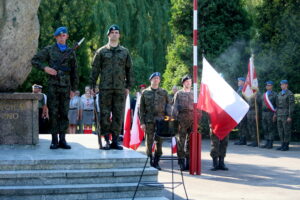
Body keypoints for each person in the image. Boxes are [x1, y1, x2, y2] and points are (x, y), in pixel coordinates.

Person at [31, 26, 78, 149]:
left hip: (66, 87)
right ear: (56, 37)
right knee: (53, 113)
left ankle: (62, 140)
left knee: (64, 113)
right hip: (53, 86)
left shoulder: (71, 52)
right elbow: (35, 60)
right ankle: (54, 140)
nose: (62, 37)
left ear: (67, 36)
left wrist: (73, 89)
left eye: (64, 35)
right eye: (59, 35)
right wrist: (46, 68)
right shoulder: (49, 50)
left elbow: (74, 72)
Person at [90, 24, 133, 150]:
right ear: (108, 35)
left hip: (120, 88)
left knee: (118, 115)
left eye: (116, 32)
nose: (114, 34)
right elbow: (95, 70)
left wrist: (128, 86)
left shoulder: (125, 52)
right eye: (112, 32)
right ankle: (106, 140)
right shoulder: (101, 51)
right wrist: (92, 85)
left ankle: (115, 140)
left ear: (119, 35)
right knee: (104, 114)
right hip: (105, 88)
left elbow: (129, 70)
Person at [139, 72, 170, 170]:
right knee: (149, 141)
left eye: (158, 78)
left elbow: (168, 107)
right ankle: (149, 161)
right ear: (151, 80)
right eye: (154, 78)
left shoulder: (164, 92)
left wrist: (168, 121)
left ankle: (156, 161)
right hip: (149, 121)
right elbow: (142, 109)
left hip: (160, 121)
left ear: (159, 80)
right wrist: (142, 122)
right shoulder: (145, 92)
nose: (156, 80)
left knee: (159, 142)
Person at [172, 75, 193, 171]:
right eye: (187, 81)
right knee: (181, 141)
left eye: (190, 81)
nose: (189, 83)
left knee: (191, 142)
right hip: (182, 120)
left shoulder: (194, 93)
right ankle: (181, 161)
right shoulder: (179, 94)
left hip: (192, 120)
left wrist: (199, 119)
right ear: (183, 83)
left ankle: (189, 161)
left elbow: (199, 108)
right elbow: (174, 107)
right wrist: (174, 121)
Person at [274, 80, 295, 151]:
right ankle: (282, 144)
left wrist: (290, 116)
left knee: (286, 130)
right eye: (281, 85)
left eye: (283, 84)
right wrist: (275, 114)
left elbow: (291, 106)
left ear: (286, 85)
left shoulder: (290, 94)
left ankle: (286, 145)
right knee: (280, 130)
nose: (281, 86)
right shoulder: (279, 93)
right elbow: (277, 105)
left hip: (286, 114)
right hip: (279, 114)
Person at [260, 81, 277, 149]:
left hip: (271, 113)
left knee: (271, 128)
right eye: (267, 85)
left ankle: (270, 143)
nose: (268, 86)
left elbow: (277, 106)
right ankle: (266, 142)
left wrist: (275, 114)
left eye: (269, 85)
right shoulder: (264, 95)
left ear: (272, 86)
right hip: (264, 113)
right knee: (265, 128)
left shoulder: (275, 95)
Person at [234, 77, 248, 145]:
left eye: (239, 81)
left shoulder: (244, 89)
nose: (238, 82)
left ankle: (243, 140)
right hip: (239, 110)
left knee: (243, 125)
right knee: (240, 125)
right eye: (238, 81)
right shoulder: (239, 89)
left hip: (243, 110)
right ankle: (240, 139)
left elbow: (245, 100)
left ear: (243, 82)